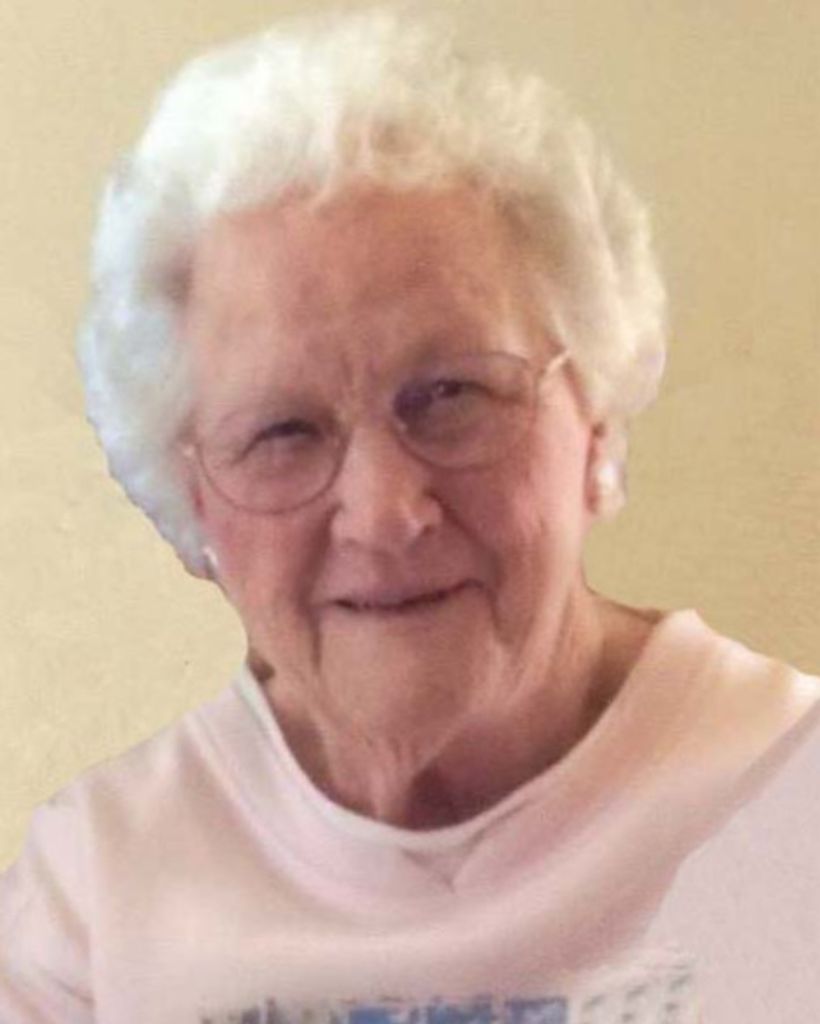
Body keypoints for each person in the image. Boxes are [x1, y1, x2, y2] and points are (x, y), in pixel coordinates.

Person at [1, 8, 817, 1023]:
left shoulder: (790, 799)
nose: (384, 512)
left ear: (596, 413)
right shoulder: (94, 899)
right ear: (194, 496)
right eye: (283, 431)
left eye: (451, 394)